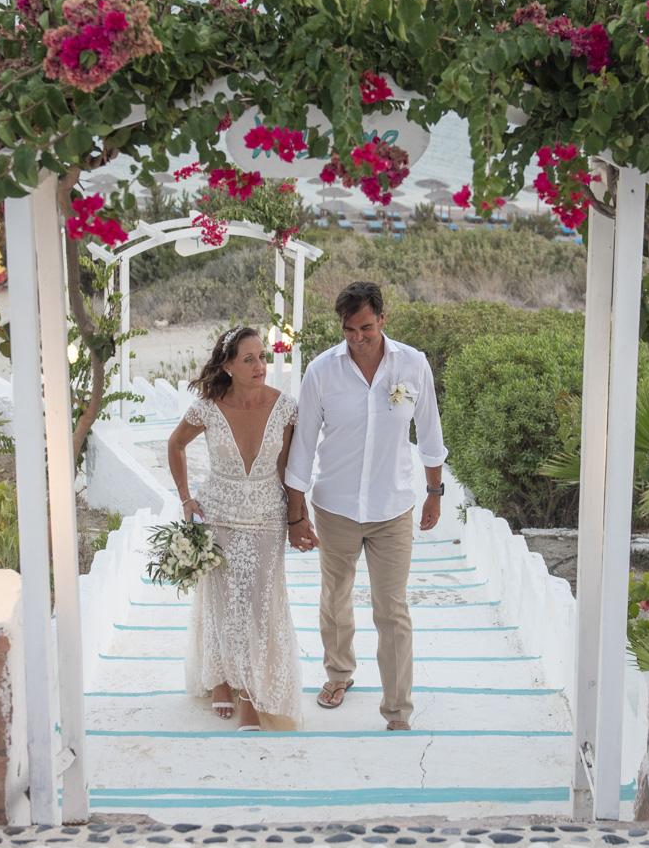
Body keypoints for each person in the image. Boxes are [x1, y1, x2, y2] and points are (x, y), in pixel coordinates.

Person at [285, 282, 449, 732]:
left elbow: (429, 433)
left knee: (391, 608)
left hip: (392, 507)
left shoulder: (413, 365)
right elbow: (302, 448)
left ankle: (397, 709)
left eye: (366, 328)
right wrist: (295, 515)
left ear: (382, 319)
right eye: (348, 330)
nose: (357, 337)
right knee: (335, 598)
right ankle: (338, 675)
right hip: (335, 506)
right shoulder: (321, 371)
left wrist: (434, 492)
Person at [166, 326, 304, 731]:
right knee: (223, 601)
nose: (260, 365)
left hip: (266, 516)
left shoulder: (285, 407)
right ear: (228, 366)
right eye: (249, 359)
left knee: (260, 603)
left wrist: (300, 515)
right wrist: (186, 498)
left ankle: (249, 693)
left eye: (262, 357)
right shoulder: (207, 407)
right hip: (218, 515)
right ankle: (222, 680)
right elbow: (175, 445)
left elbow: (287, 467)